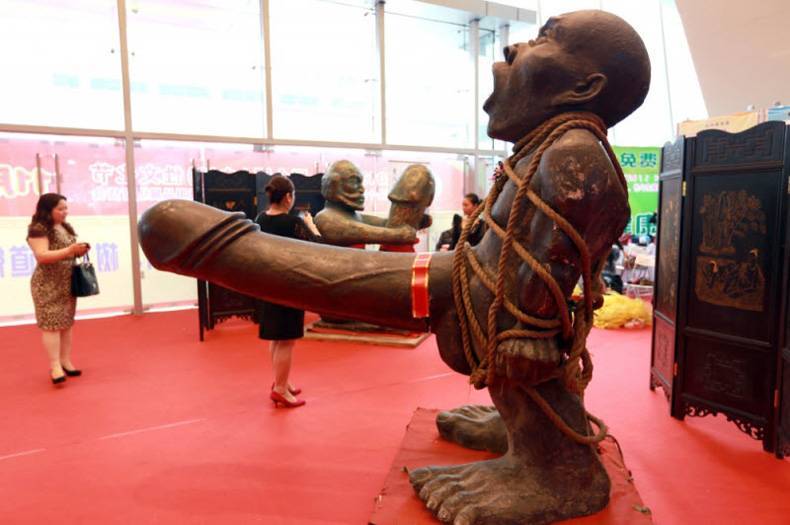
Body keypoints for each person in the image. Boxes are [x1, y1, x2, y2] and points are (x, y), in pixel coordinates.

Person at [255, 175, 321, 408]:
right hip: (289, 285)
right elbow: (317, 247)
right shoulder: (293, 223)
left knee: (276, 337)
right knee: (286, 340)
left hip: (267, 284)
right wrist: (312, 226)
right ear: (287, 197)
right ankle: (281, 389)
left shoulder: (260, 219)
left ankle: (280, 380)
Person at [26, 193, 90, 385]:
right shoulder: (38, 229)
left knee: (66, 324)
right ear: (48, 210)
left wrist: (79, 250)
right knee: (51, 326)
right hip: (47, 284)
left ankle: (65, 361)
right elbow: (42, 255)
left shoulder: (64, 226)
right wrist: (70, 250)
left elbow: (66, 252)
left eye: (65, 208)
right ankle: (55, 366)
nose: (65, 212)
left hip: (66, 283)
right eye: (60, 209)